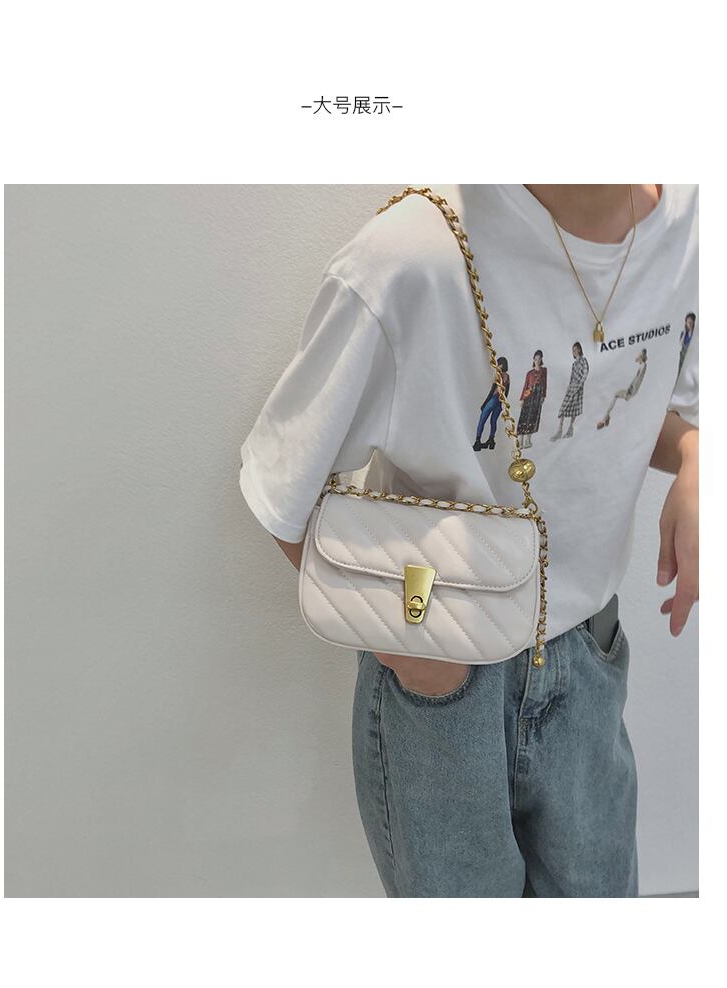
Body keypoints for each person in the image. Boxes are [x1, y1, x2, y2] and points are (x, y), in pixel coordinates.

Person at [238, 184, 699, 897]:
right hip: (447, 668)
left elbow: (641, 402)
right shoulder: (411, 258)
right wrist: (417, 659)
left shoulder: (690, 229)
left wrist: (698, 453)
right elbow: (282, 486)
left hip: (591, 654)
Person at [551, 341, 589, 440]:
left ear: (579, 350)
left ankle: (570, 429)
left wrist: (579, 385)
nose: (574, 352)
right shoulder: (574, 364)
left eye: (576, 349)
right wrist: (569, 387)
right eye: (573, 350)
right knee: (563, 408)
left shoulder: (583, 361)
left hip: (578, 388)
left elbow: (585, 373)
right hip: (571, 387)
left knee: (574, 409)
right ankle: (559, 430)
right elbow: (572, 377)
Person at [473, 356, 509, 450]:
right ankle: (491, 440)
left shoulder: (499, 375)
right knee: (493, 421)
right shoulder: (507, 377)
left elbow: (492, 391)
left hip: (494, 399)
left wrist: (485, 403)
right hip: (499, 402)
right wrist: (502, 403)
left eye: (498, 364)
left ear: (502, 365)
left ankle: (478, 440)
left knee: (482, 419)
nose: (497, 366)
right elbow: (506, 393)